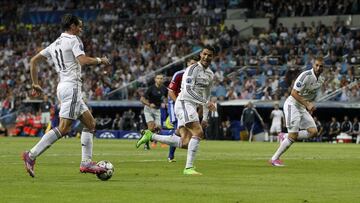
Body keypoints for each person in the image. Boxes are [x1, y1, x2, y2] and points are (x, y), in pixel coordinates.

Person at [22, 14, 110, 178]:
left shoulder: (55, 43)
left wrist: (35, 83)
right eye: (79, 25)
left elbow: (34, 61)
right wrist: (100, 60)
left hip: (63, 86)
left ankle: (86, 162)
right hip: (72, 87)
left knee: (90, 124)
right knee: (63, 128)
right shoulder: (74, 40)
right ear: (72, 26)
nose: (81, 28)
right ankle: (31, 155)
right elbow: (83, 60)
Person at [136, 45, 217, 175]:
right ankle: (189, 168)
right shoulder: (192, 69)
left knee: (185, 142)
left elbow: (206, 95)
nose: (206, 57)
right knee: (198, 132)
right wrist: (206, 103)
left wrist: (205, 117)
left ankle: (150, 135)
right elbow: (189, 91)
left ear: (213, 57)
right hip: (184, 102)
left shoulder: (210, 74)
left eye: (209, 55)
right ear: (200, 54)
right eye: (204, 54)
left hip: (192, 106)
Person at [270, 56, 325, 166]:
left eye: (321, 66)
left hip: (302, 107)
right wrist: (307, 104)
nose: (318, 67)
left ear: (324, 67)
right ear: (313, 65)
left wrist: (310, 105)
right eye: (316, 65)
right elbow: (294, 93)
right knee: (293, 136)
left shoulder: (321, 80)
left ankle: (285, 136)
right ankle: (274, 159)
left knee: (313, 132)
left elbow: (309, 95)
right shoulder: (305, 76)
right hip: (292, 105)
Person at [167, 55, 199, 162]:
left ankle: (156, 137)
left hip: (188, 105)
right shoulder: (179, 74)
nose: (193, 66)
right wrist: (179, 103)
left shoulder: (197, 76)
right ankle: (171, 155)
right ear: (187, 64)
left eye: (195, 64)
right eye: (191, 63)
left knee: (179, 132)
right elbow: (170, 91)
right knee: (178, 129)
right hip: (176, 104)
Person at [140, 73, 168, 150]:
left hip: (157, 109)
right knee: (151, 127)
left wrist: (166, 103)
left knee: (158, 127)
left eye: (161, 78)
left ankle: (154, 141)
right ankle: (146, 144)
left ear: (163, 80)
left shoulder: (164, 89)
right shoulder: (151, 88)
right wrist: (149, 104)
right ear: (155, 79)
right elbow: (142, 99)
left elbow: (166, 97)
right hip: (148, 109)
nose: (159, 80)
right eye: (158, 78)